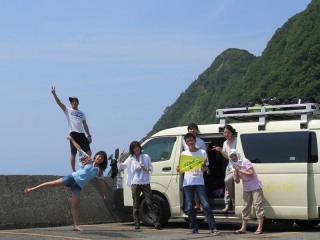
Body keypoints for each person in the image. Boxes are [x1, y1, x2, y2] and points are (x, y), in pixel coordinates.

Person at [24, 136, 108, 232]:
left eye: (102, 158)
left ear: (103, 161)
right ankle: (32, 189)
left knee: (75, 206)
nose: (100, 158)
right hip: (72, 178)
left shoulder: (99, 171)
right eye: (99, 156)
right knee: (52, 184)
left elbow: (102, 182)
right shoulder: (87, 159)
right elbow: (79, 148)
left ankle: (75, 225)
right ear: (96, 155)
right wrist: (72, 140)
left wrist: (105, 193)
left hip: (78, 186)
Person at [177, 133, 220, 236]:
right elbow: (180, 170)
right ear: (186, 143)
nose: (190, 142)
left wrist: (204, 165)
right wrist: (178, 169)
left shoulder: (202, 153)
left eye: (191, 140)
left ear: (195, 141)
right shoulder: (183, 154)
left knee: (205, 205)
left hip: (199, 182)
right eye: (188, 141)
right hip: (187, 183)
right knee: (190, 207)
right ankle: (193, 229)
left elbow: (206, 170)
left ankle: (213, 228)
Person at [117, 141, 161, 230]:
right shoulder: (130, 159)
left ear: (140, 148)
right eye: (134, 148)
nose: (136, 149)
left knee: (150, 202)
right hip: (135, 183)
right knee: (136, 204)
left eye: (137, 147)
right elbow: (120, 167)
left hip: (145, 182)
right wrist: (120, 158)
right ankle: (136, 223)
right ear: (132, 149)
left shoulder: (146, 157)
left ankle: (156, 222)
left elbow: (151, 168)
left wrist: (145, 168)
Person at [51, 86, 92, 172]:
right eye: (72, 102)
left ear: (77, 103)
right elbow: (59, 103)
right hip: (73, 133)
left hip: (82, 133)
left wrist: (89, 135)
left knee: (88, 152)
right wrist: (54, 95)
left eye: (75, 101)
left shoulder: (82, 113)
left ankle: (84, 167)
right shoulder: (68, 110)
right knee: (74, 153)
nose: (73, 103)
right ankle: (73, 170)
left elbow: (85, 124)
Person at [229, 149, 264, 235]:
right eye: (231, 156)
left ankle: (259, 228)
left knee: (258, 205)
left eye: (234, 155)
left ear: (237, 154)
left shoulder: (245, 161)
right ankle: (243, 228)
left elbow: (251, 173)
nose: (233, 157)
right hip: (246, 187)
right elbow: (236, 181)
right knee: (245, 207)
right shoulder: (233, 165)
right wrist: (236, 172)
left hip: (255, 185)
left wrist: (240, 169)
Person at [182, 123, 208, 210]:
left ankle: (201, 205)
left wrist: (204, 164)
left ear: (197, 130)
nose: (192, 130)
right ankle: (197, 204)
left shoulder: (201, 142)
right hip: (188, 168)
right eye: (190, 129)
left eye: (194, 129)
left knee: (198, 186)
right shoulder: (184, 141)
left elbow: (204, 155)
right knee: (192, 187)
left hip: (199, 168)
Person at [212, 124, 237, 212]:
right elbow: (227, 157)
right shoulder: (224, 143)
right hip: (229, 166)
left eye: (228, 132)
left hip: (238, 166)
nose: (226, 134)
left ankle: (234, 202)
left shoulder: (237, 140)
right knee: (226, 185)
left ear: (232, 132)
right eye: (224, 132)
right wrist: (221, 151)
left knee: (228, 181)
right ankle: (227, 205)